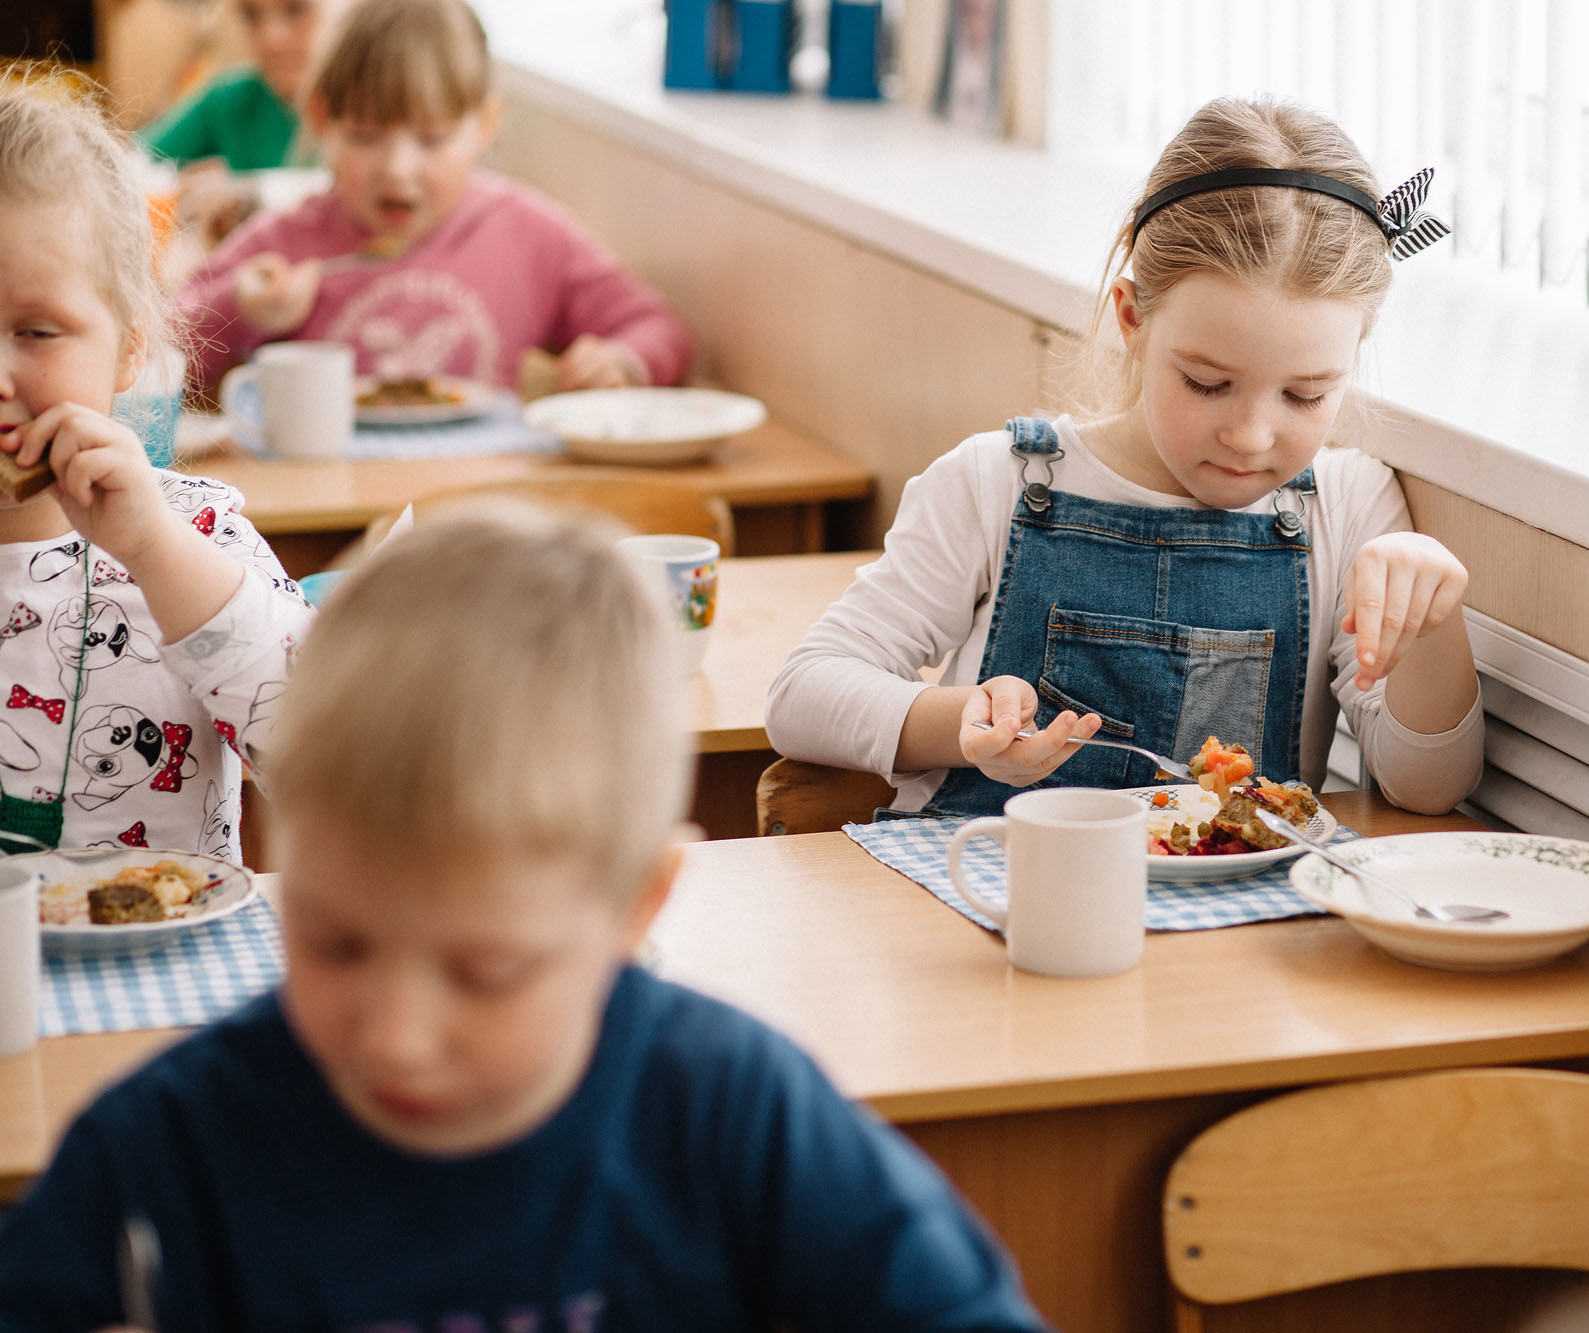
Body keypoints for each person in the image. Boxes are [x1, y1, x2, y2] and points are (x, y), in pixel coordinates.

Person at [0, 503, 1050, 1331]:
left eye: (485, 970)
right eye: (334, 941)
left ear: (637, 905)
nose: (395, 1032)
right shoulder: (168, 1149)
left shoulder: (732, 1110)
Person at [766, 97, 1484, 818]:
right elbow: (803, 693)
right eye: (1207, 383)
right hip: (988, 876)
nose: (1251, 435)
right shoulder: (995, 483)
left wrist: (1434, 620)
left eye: (1305, 395)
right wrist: (962, 721)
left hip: (1235, 895)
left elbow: (1427, 789)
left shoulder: (1349, 506)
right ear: (1132, 317)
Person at [0, 73, 307, 859]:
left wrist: (155, 550)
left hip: (170, 937)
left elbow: (330, 762)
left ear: (131, 346)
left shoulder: (197, 534)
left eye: (36, 331)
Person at [177, 0, 696, 399]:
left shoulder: (529, 232)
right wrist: (240, 307)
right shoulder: (288, 238)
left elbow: (658, 327)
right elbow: (162, 342)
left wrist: (622, 362)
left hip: (481, 497)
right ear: (321, 120)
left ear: (485, 126)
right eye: (364, 136)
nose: (397, 169)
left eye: (432, 139)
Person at [138, 0, 340, 172]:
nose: (271, 39)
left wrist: (247, 191)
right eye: (252, 16)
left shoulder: (356, 105)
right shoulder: (231, 100)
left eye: (295, 10)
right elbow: (134, 162)